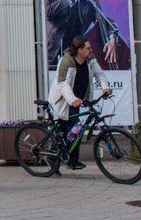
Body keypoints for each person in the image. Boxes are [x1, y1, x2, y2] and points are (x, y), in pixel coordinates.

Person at [47, 34, 113, 170]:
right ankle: (60, 158)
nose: (91, 50)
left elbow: (99, 74)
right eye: (88, 48)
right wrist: (73, 99)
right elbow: (62, 84)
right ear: (79, 50)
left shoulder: (90, 59)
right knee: (72, 129)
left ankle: (66, 159)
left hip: (76, 101)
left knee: (73, 131)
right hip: (64, 101)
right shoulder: (66, 61)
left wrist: (105, 87)